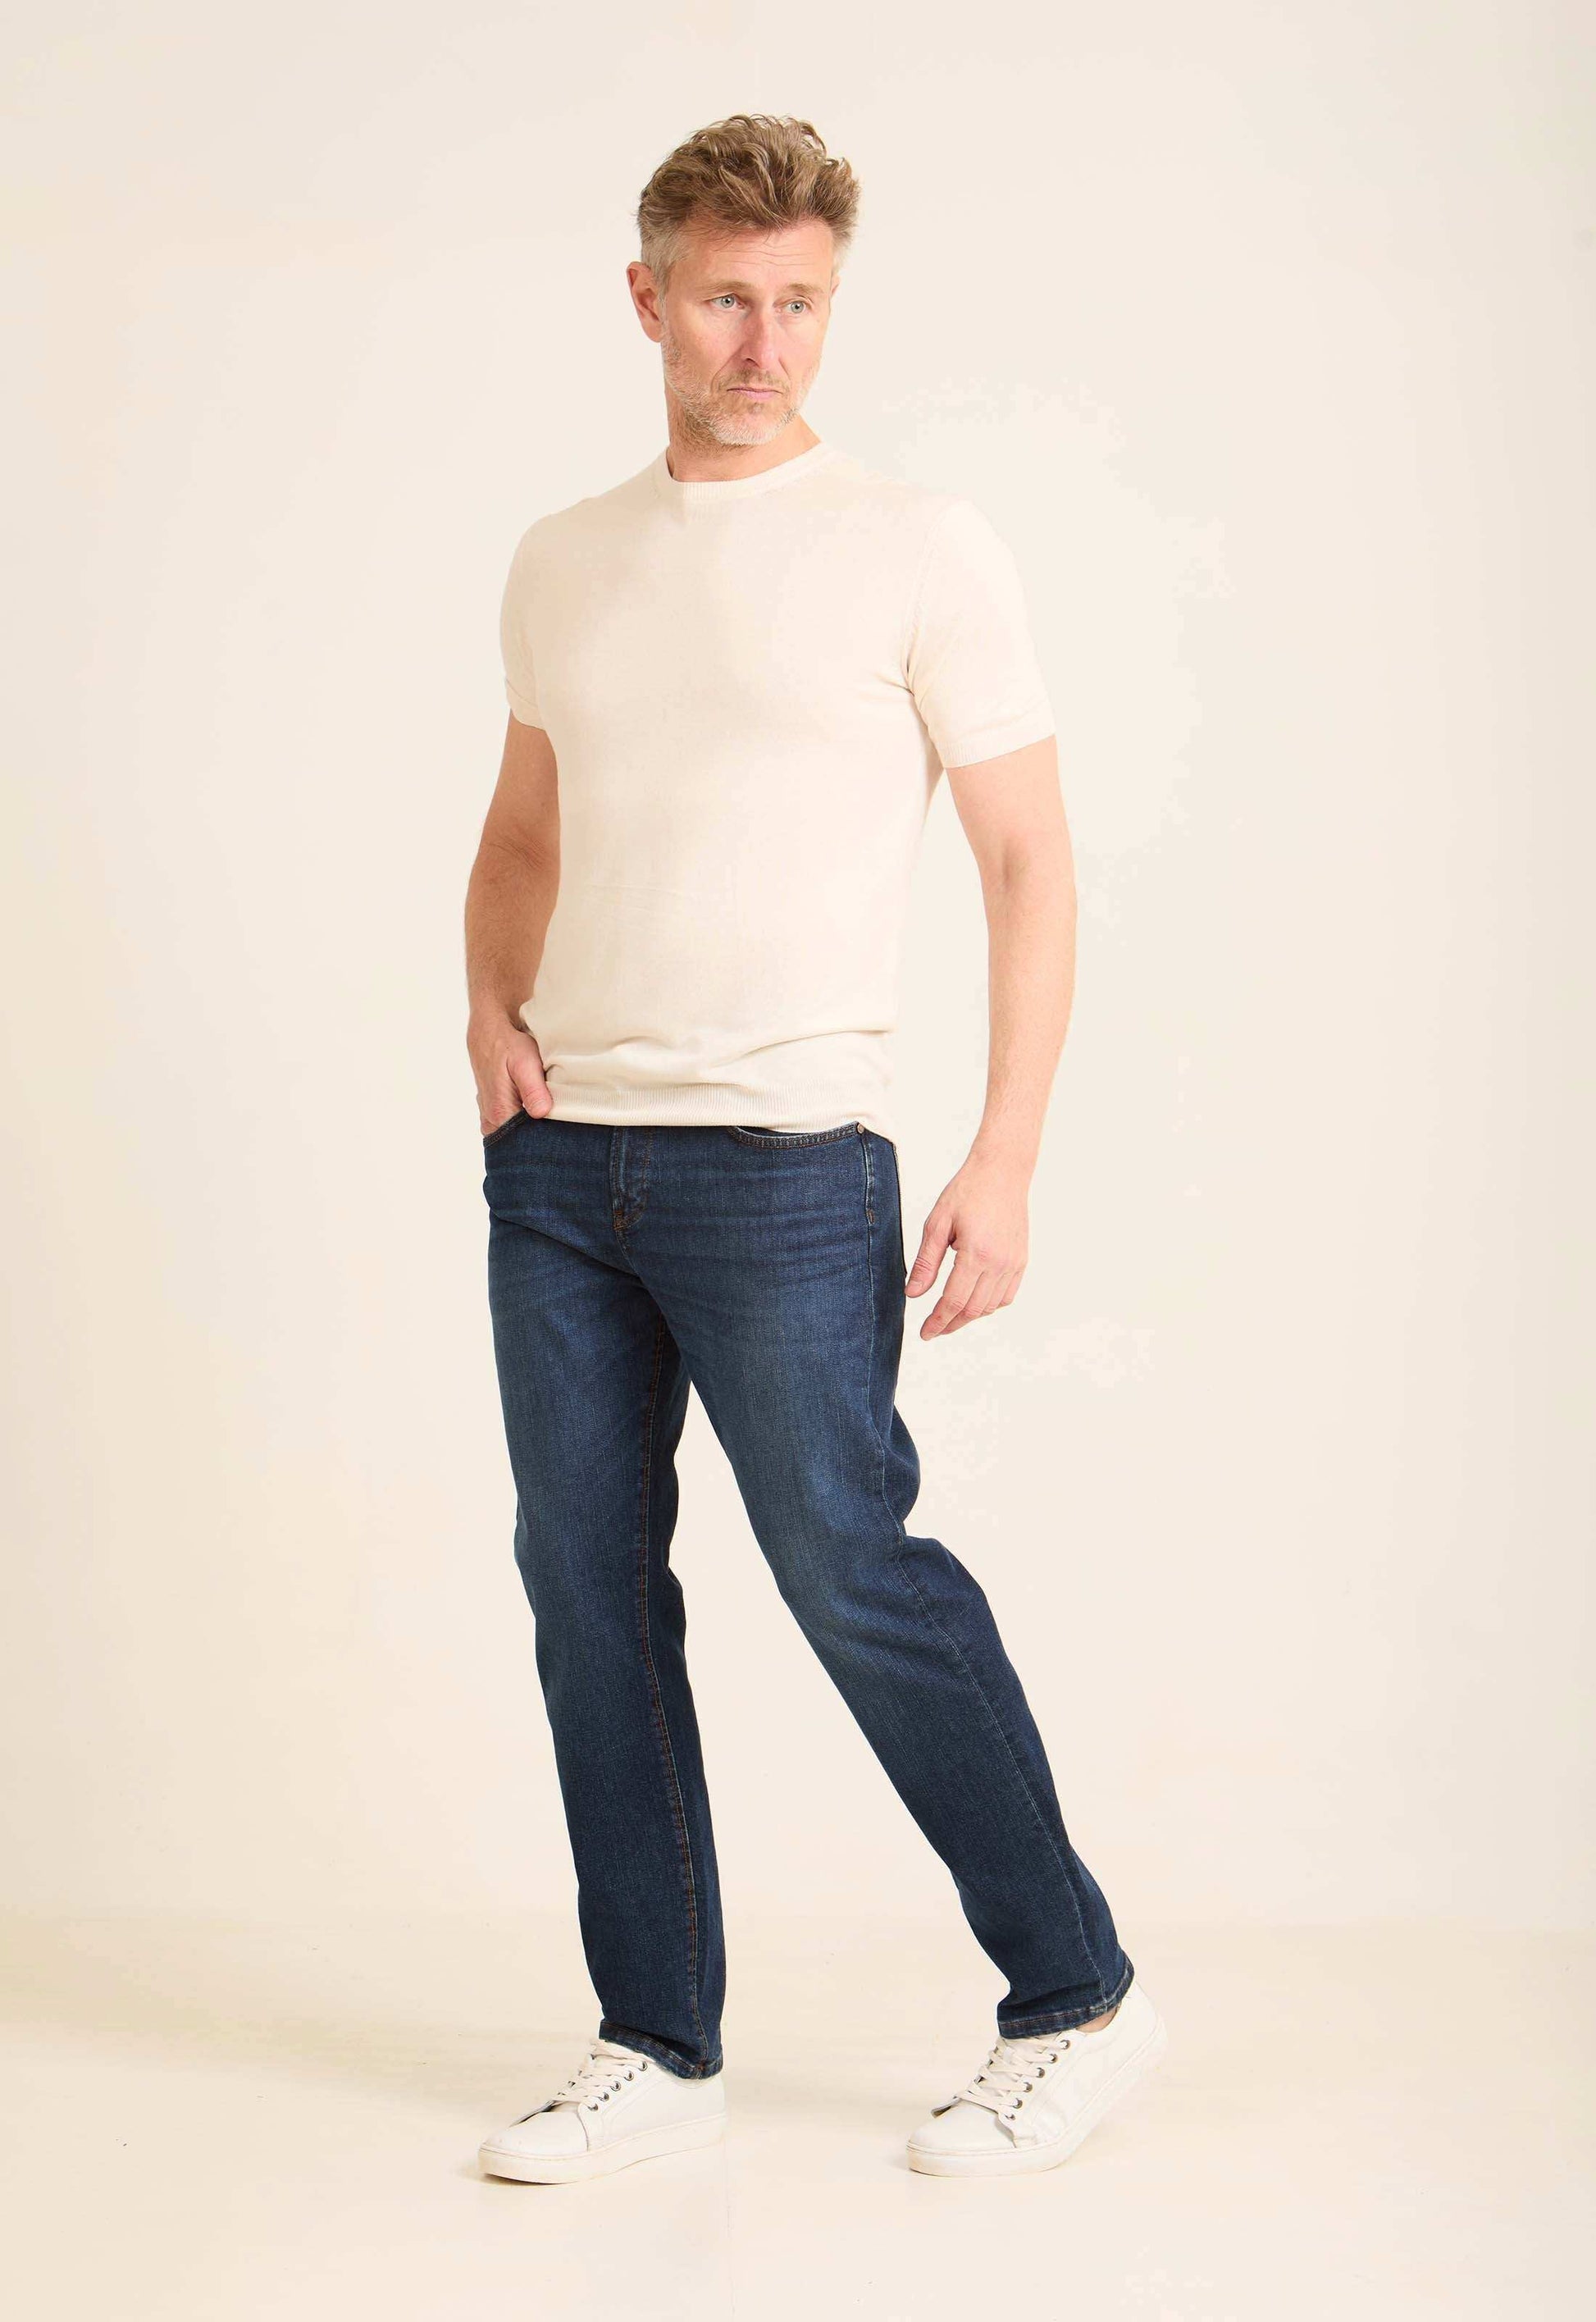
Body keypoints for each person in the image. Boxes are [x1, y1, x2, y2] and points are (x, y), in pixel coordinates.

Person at [464, 112, 1165, 2185]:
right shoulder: (564, 557)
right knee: (587, 1594)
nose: (762, 344)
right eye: (723, 300)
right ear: (647, 299)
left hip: (782, 1166)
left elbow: (1030, 864)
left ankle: (1078, 1997)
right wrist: (489, 1014)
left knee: (853, 1572)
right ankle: (653, 2036)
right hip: (563, 1171)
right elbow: (522, 829)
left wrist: (1003, 1154)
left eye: (799, 304)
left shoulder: (917, 545)